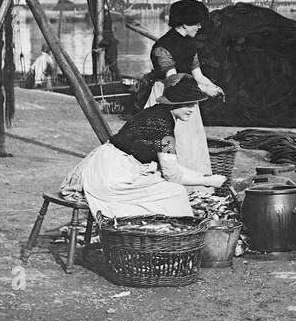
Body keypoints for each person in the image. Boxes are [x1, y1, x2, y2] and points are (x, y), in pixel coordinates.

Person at [61, 75, 225, 218]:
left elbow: (169, 166)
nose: (192, 110)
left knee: (166, 187)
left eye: (194, 104)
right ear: (174, 103)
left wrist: (204, 178)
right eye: (188, 104)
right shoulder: (163, 128)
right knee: (176, 193)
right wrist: (208, 181)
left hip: (111, 164)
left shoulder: (157, 113)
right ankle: (167, 243)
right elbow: (172, 175)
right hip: (112, 174)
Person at [140, 0, 224, 172]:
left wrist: (213, 86)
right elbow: (174, 82)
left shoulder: (189, 43)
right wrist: (203, 90)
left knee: (190, 144)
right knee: (169, 142)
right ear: (185, 23)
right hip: (168, 97)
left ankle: (193, 184)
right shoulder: (161, 48)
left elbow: (198, 75)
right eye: (197, 23)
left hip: (188, 97)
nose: (200, 27)